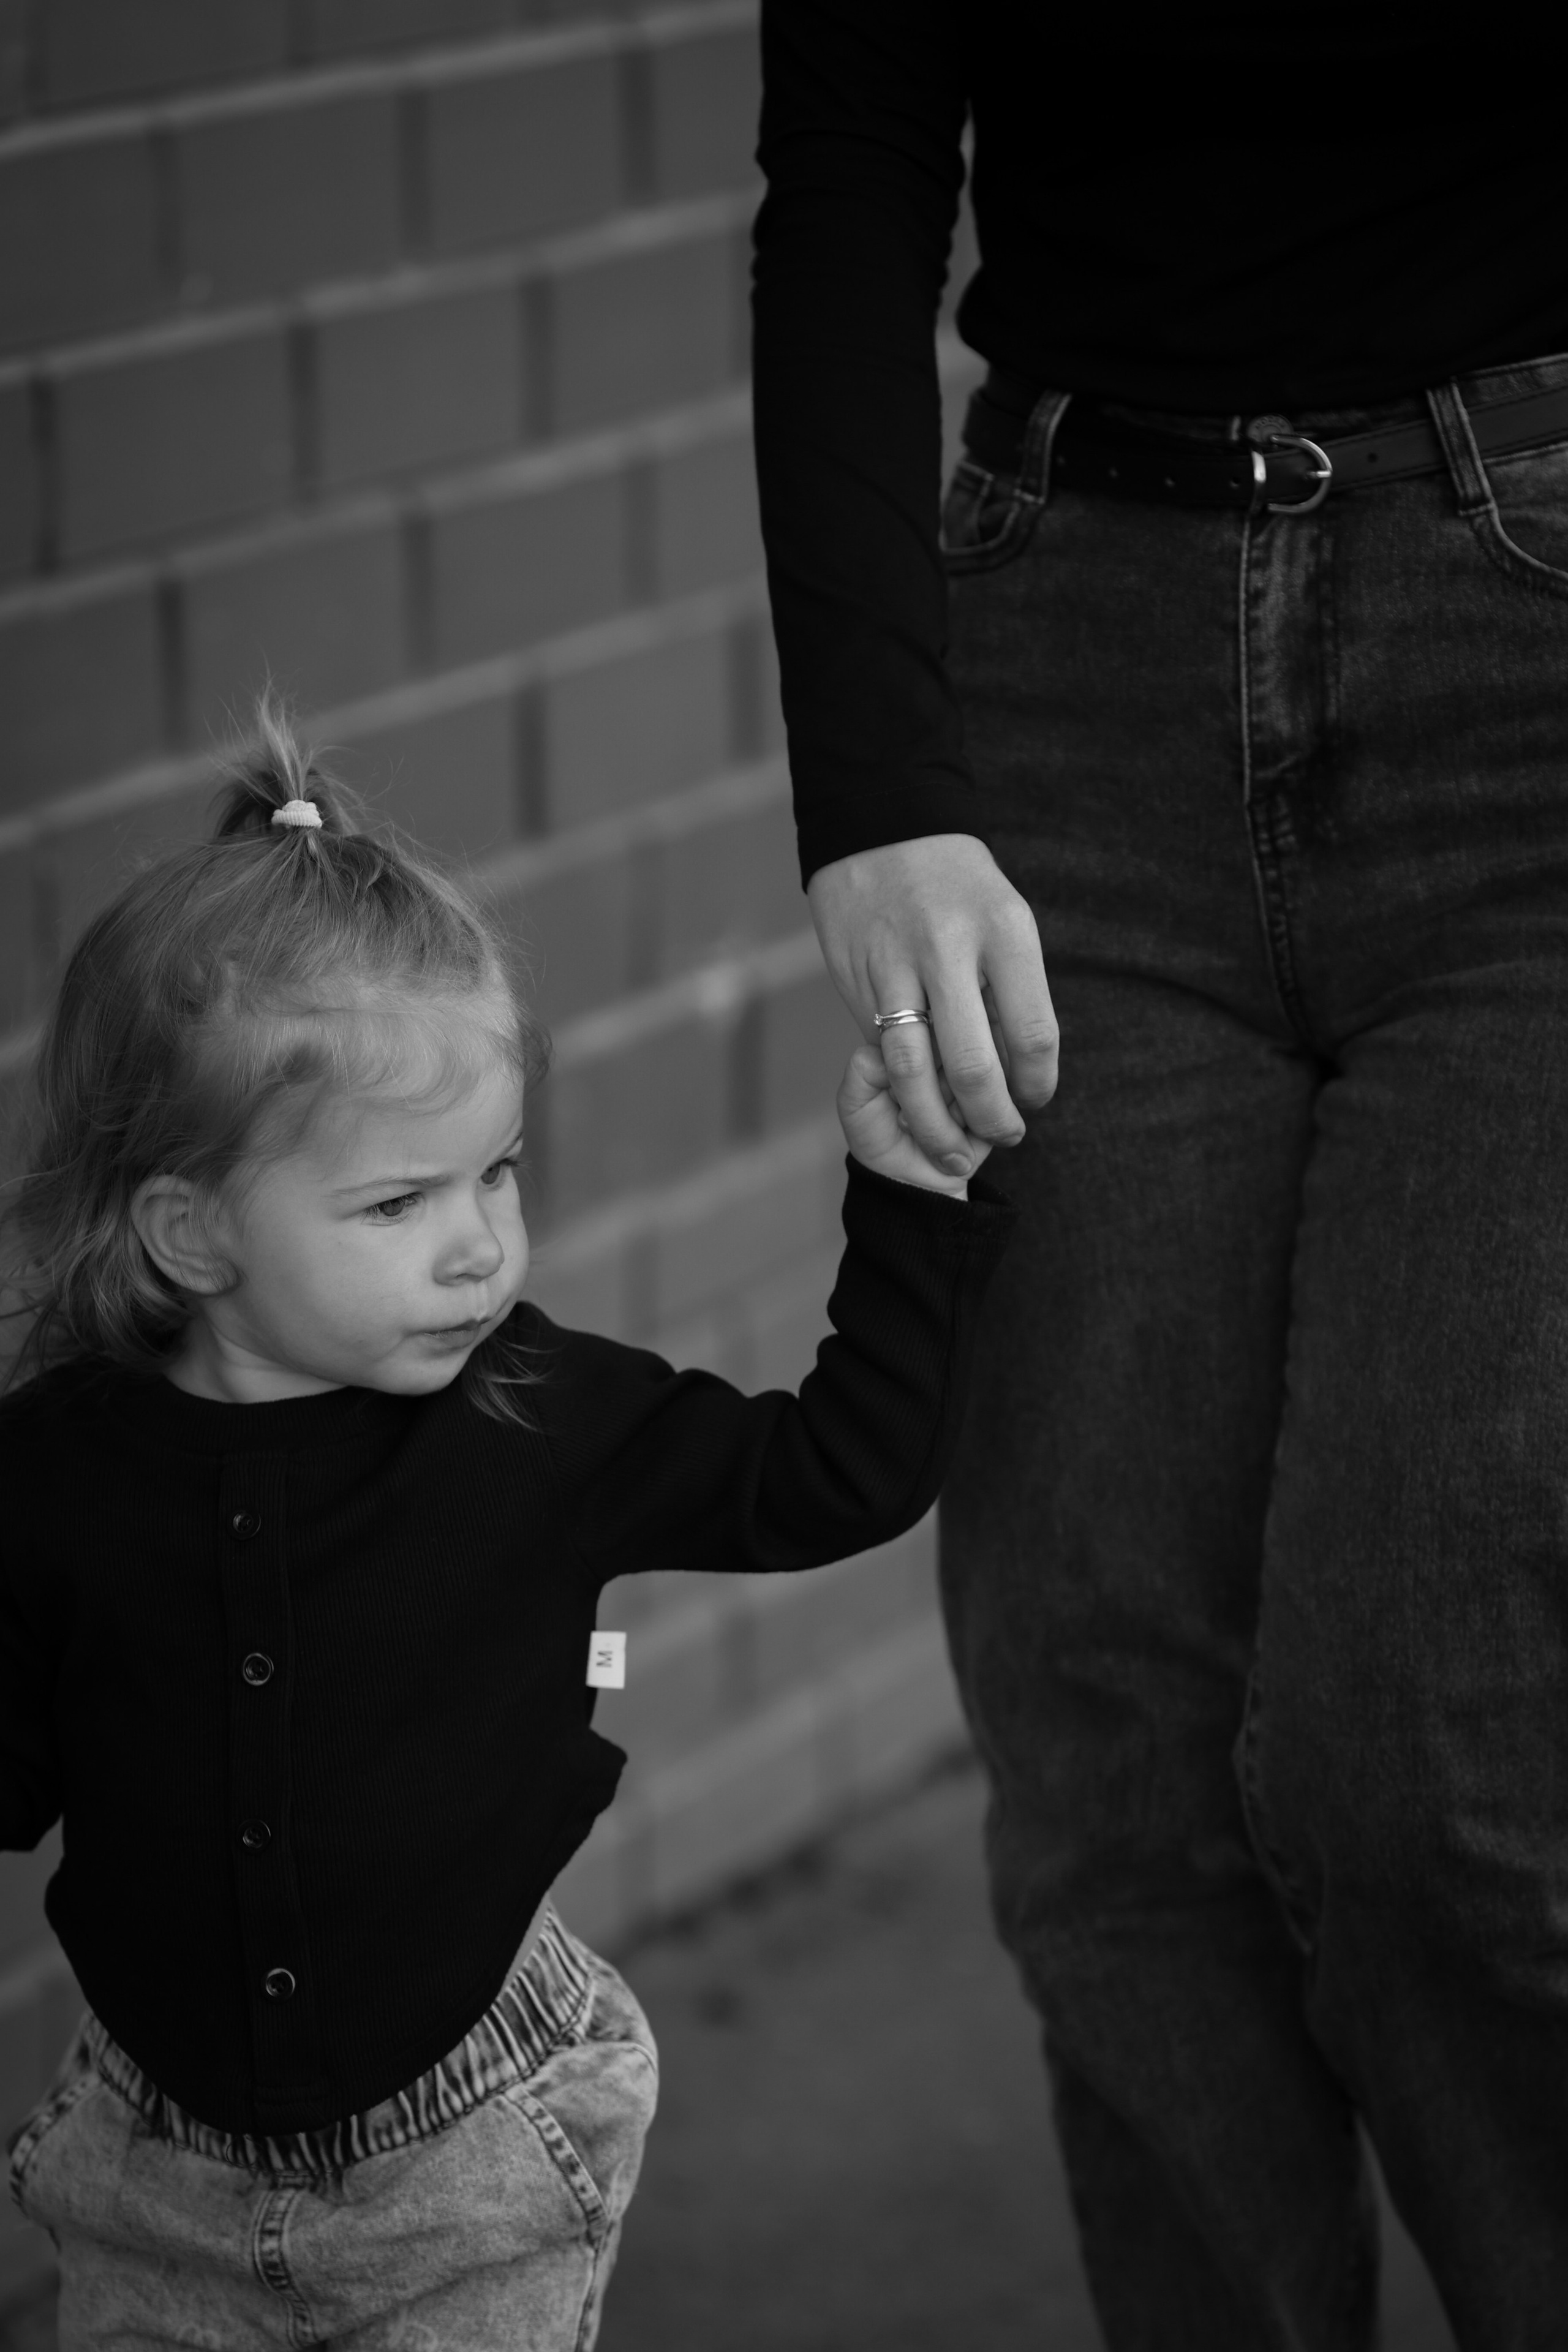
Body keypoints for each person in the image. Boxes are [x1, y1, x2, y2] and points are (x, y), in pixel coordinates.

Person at [752, 4, 1568, 2344]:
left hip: (1531, 664)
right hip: (1064, 682)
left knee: (1435, 1775)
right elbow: (849, 170)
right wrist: (876, 795)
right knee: (1112, 1786)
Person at [0, 700, 1013, 2350]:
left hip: (470, 2145)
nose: (480, 1247)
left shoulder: (532, 1416)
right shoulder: (56, 1475)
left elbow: (837, 1472)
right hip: (148, 2169)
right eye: (399, 1204)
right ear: (190, 1233)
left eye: (498, 1174)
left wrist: (906, 1202)